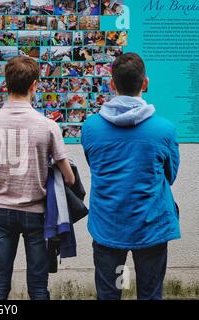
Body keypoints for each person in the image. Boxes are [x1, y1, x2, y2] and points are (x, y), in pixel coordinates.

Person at [0, 56, 75, 300]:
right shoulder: (48, 126)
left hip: (1, 214)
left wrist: (3, 186)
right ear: (34, 86)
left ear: (5, 85)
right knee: (39, 289)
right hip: (37, 215)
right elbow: (69, 179)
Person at [81, 53, 181, 300]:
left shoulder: (91, 127)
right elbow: (170, 175)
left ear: (112, 84)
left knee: (110, 293)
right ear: (145, 83)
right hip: (151, 227)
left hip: (108, 227)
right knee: (149, 294)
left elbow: (95, 165)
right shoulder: (165, 130)